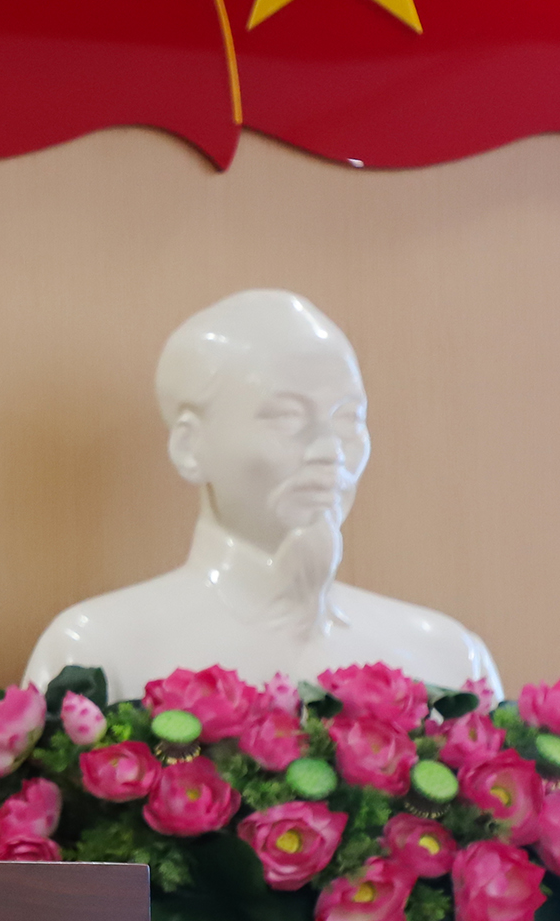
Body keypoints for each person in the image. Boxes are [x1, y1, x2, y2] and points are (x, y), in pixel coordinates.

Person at [24, 289, 502, 701]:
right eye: (286, 417)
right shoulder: (98, 653)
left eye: (347, 419)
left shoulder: (448, 660)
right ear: (191, 447)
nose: (329, 451)